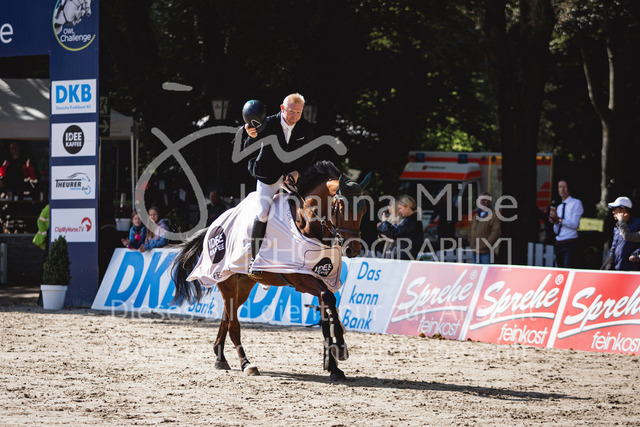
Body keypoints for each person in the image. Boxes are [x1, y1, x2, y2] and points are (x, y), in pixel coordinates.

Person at [243, 93, 317, 278]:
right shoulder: (267, 123)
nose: (294, 116)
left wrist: (298, 171)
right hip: (267, 175)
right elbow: (247, 149)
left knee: (305, 210)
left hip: (290, 178)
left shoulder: (305, 127)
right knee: (262, 213)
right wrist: (251, 136)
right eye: (291, 111)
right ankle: (255, 259)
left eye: (298, 113)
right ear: (282, 108)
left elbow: (310, 154)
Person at [548, 179, 583, 268]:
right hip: (558, 242)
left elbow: (575, 224)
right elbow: (556, 230)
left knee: (567, 268)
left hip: (569, 242)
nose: (562, 189)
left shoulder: (576, 203)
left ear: (568, 188)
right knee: (559, 270)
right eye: (560, 187)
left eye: (564, 187)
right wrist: (555, 222)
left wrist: (560, 220)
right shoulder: (559, 207)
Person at [377, 195, 424, 260]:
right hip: (402, 255)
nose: (399, 211)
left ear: (407, 207)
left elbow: (393, 233)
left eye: (400, 208)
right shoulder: (411, 220)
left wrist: (384, 222)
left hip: (405, 257)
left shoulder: (411, 221)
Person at [601, 197, 640, 271]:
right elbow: (613, 249)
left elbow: (628, 236)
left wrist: (636, 253)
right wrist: (606, 267)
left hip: (633, 271)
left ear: (623, 210)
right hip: (618, 269)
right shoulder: (618, 226)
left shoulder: (638, 224)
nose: (613, 212)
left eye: (615, 209)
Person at [469, 192, 502, 264]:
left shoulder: (494, 216)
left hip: (486, 252)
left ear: (489, 201)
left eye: (485, 200)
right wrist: (471, 242)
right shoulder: (476, 215)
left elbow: (496, 232)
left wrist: (486, 244)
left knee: (487, 270)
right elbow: (472, 230)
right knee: (476, 270)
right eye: (481, 200)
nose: (483, 202)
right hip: (475, 251)